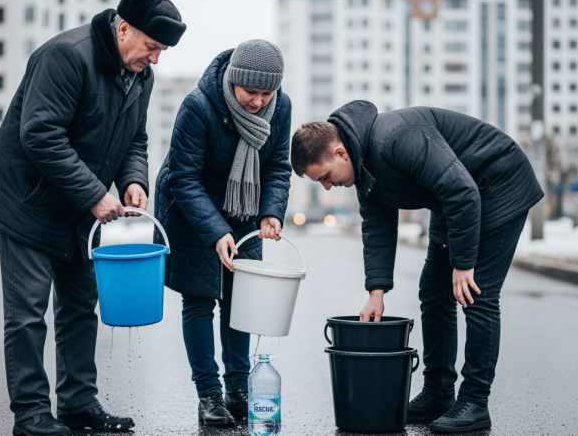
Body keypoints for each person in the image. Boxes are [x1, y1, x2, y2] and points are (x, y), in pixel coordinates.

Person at [0, 0, 185, 435]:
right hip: (28, 202)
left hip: (80, 208)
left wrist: (133, 181)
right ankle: (31, 413)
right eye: (152, 47)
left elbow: (135, 139)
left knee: (79, 307)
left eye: (162, 52)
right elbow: (40, 134)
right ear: (123, 29)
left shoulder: (140, 76)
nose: (155, 59)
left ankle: (76, 402)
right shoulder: (66, 56)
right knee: (28, 313)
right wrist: (94, 194)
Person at [290, 101, 543, 433]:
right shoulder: (363, 170)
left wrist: (463, 264)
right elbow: (377, 229)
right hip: (453, 202)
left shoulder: (395, 138)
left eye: (325, 177)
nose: (326, 186)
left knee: (476, 294)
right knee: (434, 292)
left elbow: (461, 190)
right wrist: (376, 293)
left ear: (340, 153)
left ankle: (475, 402)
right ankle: (439, 392)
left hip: (498, 184)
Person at [153, 40, 291, 427]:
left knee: (240, 300)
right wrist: (215, 231)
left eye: (267, 93)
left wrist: (271, 213)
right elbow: (183, 178)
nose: (258, 101)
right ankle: (209, 395)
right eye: (251, 91)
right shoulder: (198, 107)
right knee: (200, 299)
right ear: (233, 80)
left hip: (245, 209)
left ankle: (238, 389)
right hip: (192, 210)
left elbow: (277, 167)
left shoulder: (282, 107)